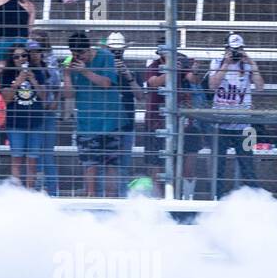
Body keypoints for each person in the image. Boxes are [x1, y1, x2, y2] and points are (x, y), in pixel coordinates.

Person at [62, 31, 121, 198]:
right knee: (89, 163)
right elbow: (68, 95)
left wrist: (84, 71)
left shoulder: (106, 57)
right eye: (74, 54)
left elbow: (107, 83)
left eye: (81, 54)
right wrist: (66, 76)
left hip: (109, 121)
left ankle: (111, 201)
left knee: (111, 164)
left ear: (88, 49)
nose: (79, 58)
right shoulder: (72, 65)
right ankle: (91, 198)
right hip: (86, 123)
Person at [209, 33, 265, 198]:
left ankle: (254, 199)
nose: (236, 53)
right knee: (218, 165)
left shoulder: (247, 65)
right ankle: (216, 198)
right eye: (233, 50)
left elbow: (260, 87)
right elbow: (212, 85)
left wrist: (253, 64)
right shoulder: (217, 62)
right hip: (220, 124)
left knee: (248, 164)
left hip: (244, 125)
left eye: (239, 49)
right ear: (226, 49)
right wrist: (226, 63)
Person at [146, 47, 205, 199]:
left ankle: (187, 200)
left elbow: (194, 80)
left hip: (185, 123)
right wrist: (171, 71)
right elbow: (153, 83)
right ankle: (159, 203)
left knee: (188, 168)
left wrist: (195, 70)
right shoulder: (154, 66)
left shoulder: (182, 63)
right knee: (156, 168)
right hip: (157, 123)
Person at [0, 43, 48, 188]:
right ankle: (17, 193)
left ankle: (30, 192)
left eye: (24, 55)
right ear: (12, 59)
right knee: (17, 159)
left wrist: (32, 80)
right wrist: (17, 82)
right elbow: (6, 99)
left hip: (35, 122)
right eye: (16, 56)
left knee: (32, 161)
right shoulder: (6, 74)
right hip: (16, 123)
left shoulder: (37, 71)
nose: (21, 59)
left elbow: (44, 97)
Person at [106, 33, 143, 191]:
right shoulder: (102, 70)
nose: (116, 55)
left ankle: (121, 198)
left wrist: (128, 76)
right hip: (107, 125)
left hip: (127, 124)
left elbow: (140, 96)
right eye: (113, 52)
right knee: (108, 166)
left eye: (119, 51)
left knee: (123, 165)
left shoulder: (132, 71)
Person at [27, 37, 61, 195]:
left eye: (37, 51)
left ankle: (52, 192)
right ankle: (33, 192)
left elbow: (57, 87)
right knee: (32, 157)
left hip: (47, 115)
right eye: (31, 52)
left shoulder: (49, 67)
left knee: (46, 155)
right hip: (30, 116)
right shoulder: (22, 68)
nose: (34, 55)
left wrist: (55, 102)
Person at [0, 0, 36, 71]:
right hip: (20, 41)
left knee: (0, 73)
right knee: (19, 70)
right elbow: (30, 29)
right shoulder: (29, 4)